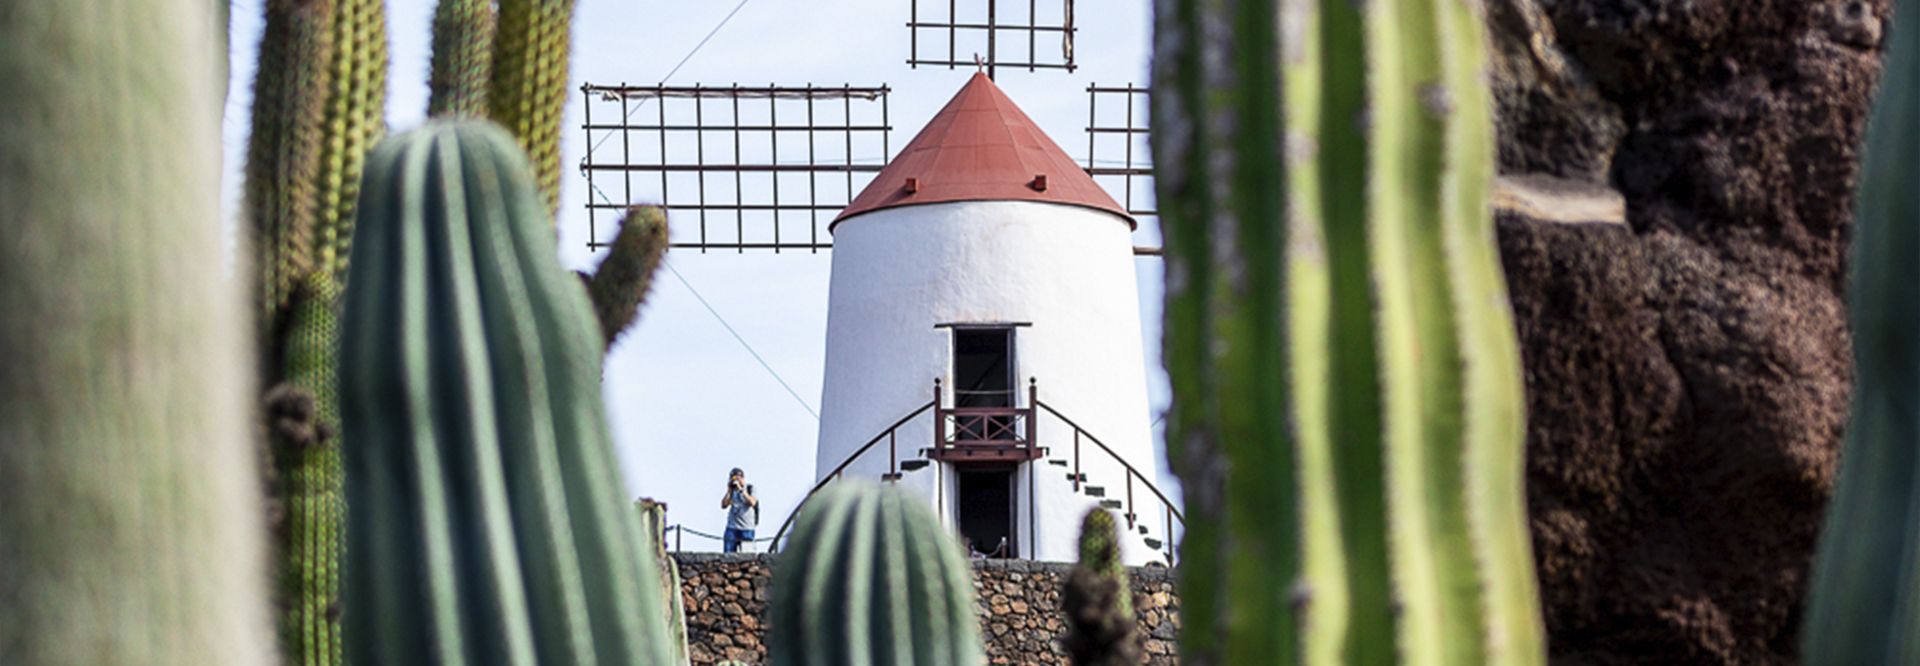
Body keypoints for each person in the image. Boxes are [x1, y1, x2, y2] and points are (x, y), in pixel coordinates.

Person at [720, 467, 758, 553]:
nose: (735, 481)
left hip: (747, 527)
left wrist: (741, 490)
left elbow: (752, 502)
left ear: (742, 478)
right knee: (728, 555)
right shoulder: (732, 491)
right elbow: (723, 505)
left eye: (737, 478)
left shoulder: (750, 488)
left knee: (748, 555)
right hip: (732, 527)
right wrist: (729, 491)